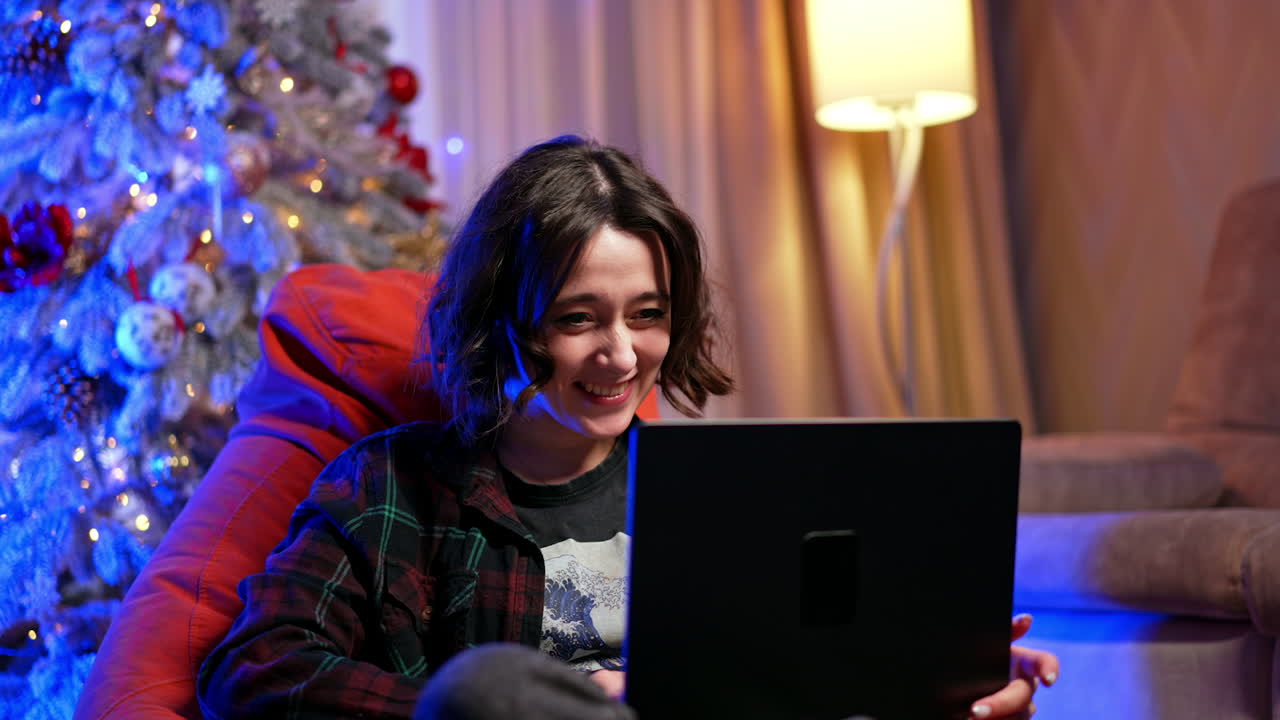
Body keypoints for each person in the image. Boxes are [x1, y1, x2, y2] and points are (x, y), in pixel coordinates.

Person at [197, 135, 1058, 720]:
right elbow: (252, 670)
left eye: (647, 315)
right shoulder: (394, 486)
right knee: (488, 692)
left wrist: (953, 684)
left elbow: (809, 684)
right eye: (580, 318)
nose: (621, 354)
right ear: (504, 320)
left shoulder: (729, 489)